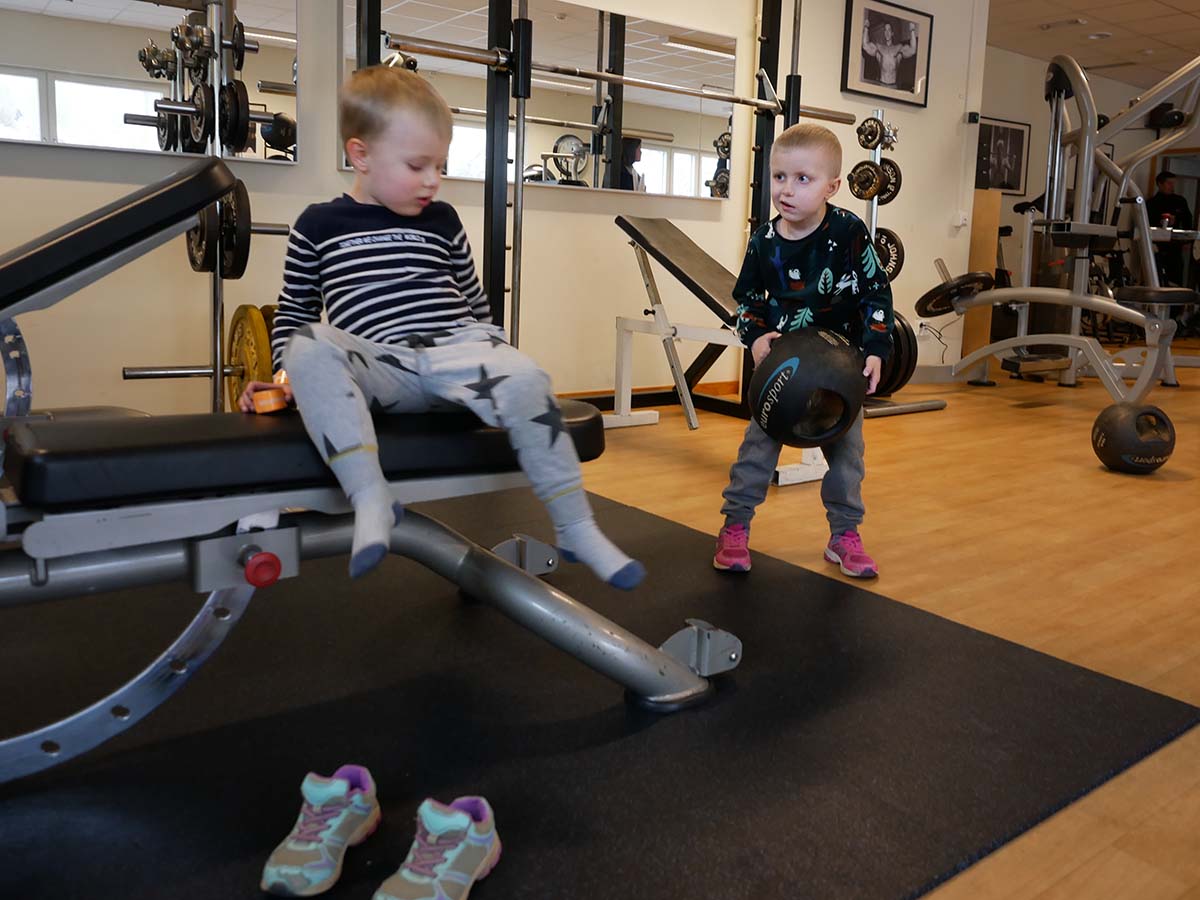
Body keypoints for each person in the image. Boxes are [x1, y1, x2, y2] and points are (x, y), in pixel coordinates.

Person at [238, 66, 644, 591]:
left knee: (526, 376)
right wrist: (284, 378)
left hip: (454, 354)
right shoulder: (318, 225)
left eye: (441, 165)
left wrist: (499, 360)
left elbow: (475, 304)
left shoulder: (442, 219)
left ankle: (576, 526)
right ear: (360, 155)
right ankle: (371, 500)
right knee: (306, 344)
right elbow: (294, 311)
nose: (433, 179)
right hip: (385, 368)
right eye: (417, 165)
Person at [712, 123, 893, 579]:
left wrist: (875, 349)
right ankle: (735, 526)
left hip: (839, 372)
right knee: (757, 450)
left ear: (832, 186)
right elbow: (747, 303)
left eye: (802, 179)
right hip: (783, 372)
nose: (786, 190)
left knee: (848, 458)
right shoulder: (764, 243)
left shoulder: (849, 232)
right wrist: (755, 339)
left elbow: (876, 292)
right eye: (778, 177)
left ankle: (844, 535)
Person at [1146, 170, 1193, 286]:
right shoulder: (1151, 203)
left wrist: (1187, 240)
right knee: (1157, 279)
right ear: (1160, 184)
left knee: (1176, 279)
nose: (1172, 186)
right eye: (1169, 183)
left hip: (1175, 248)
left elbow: (1188, 220)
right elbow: (1146, 223)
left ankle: (1177, 303)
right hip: (1157, 248)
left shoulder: (1180, 201)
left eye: (1173, 183)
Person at [861, 15, 917, 89]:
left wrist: (912, 30)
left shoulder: (898, 48)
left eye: (889, 30)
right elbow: (865, 46)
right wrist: (866, 28)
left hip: (893, 86)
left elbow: (912, 50)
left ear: (892, 33)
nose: (887, 32)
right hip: (881, 84)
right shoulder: (879, 47)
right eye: (885, 30)